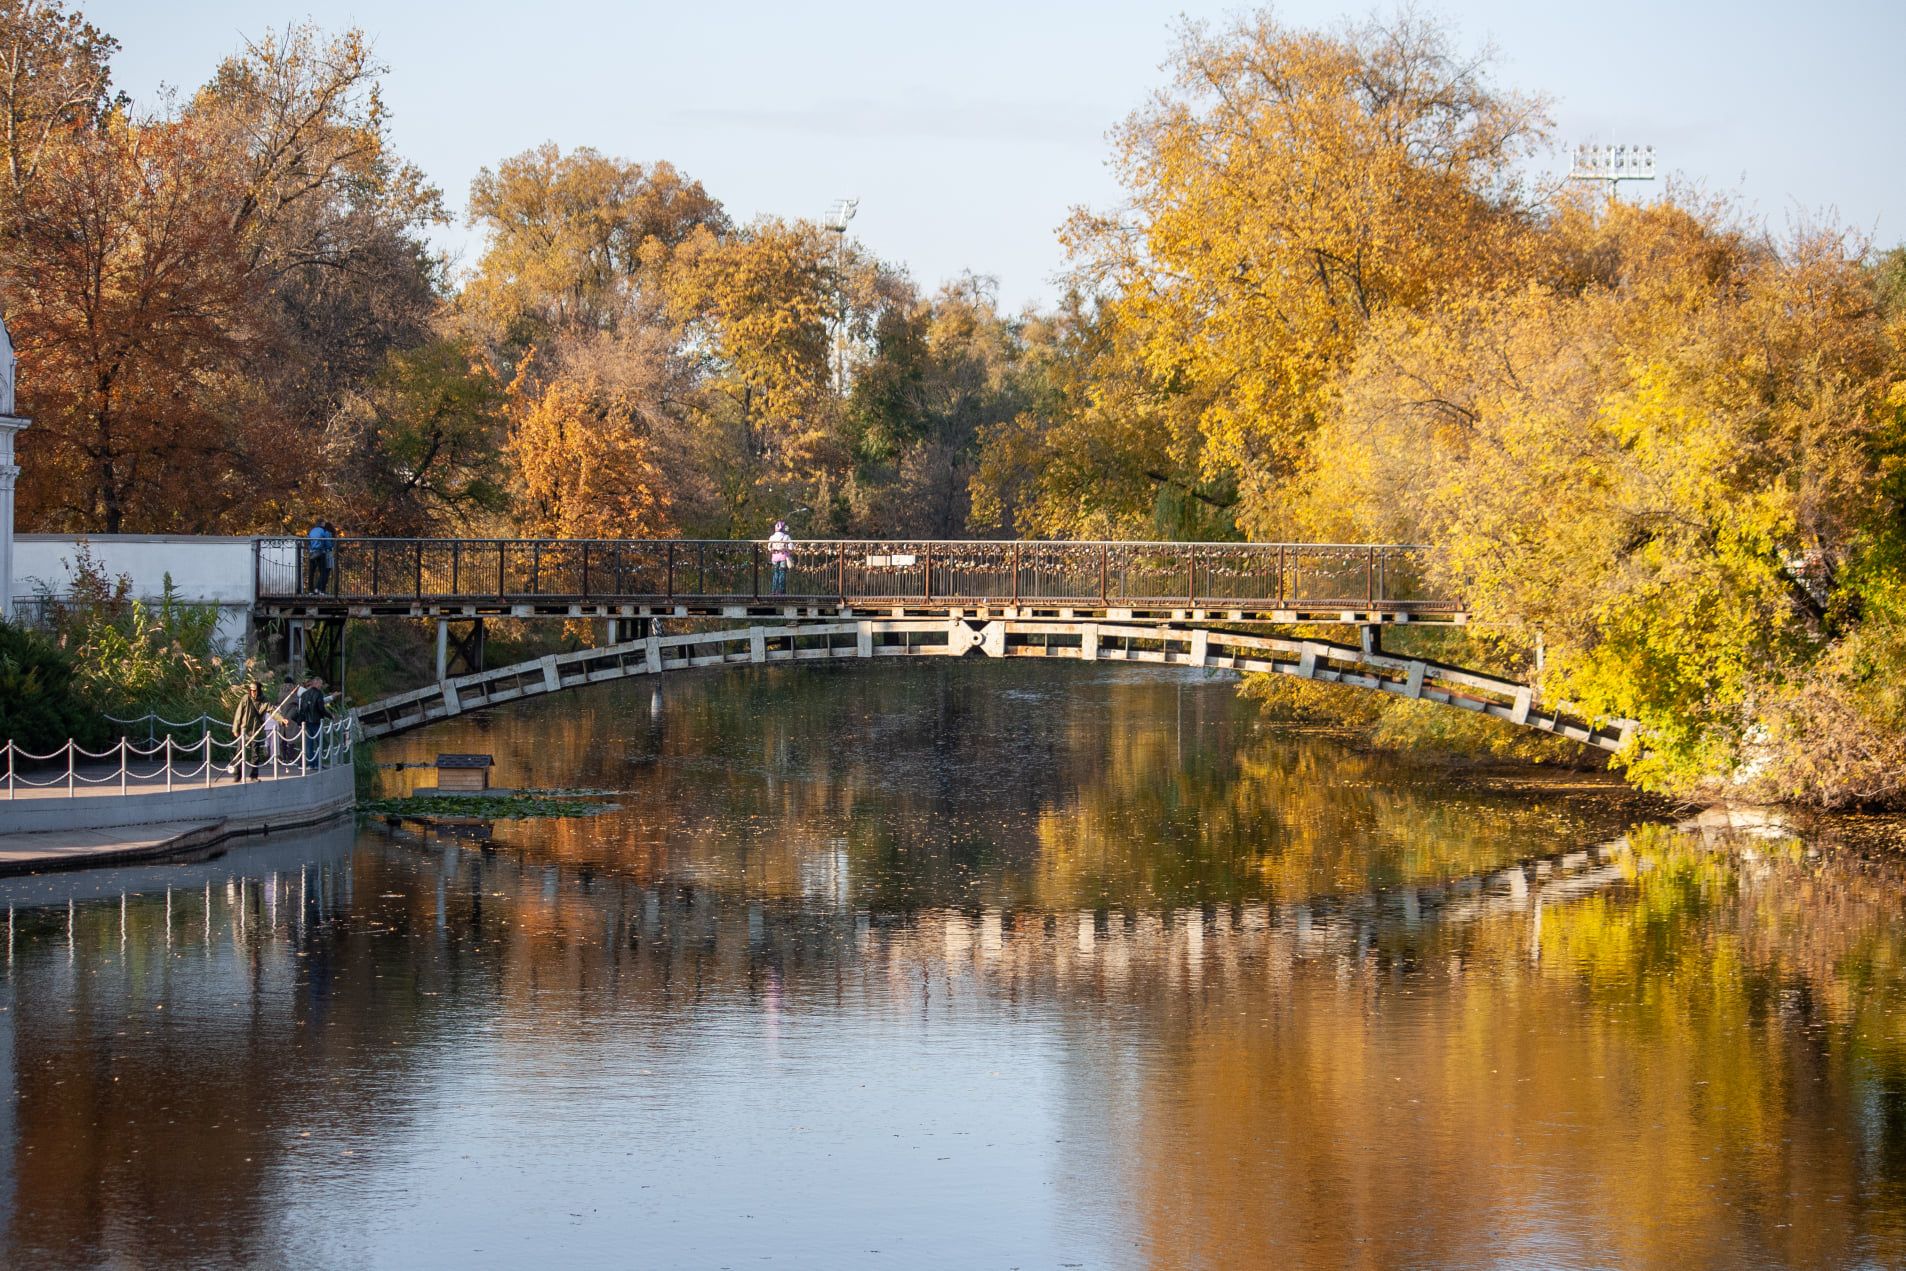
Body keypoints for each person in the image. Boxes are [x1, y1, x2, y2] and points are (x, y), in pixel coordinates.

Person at [231, 681, 266, 781]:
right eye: (251, 690)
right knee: (239, 752)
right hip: (244, 730)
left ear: (258, 690)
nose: (252, 692)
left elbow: (272, 710)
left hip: (256, 730)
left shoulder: (263, 700)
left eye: (254, 690)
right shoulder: (246, 698)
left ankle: (253, 775)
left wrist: (282, 720)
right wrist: (235, 728)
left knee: (255, 754)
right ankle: (237, 775)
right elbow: (239, 713)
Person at [297, 675, 331, 764]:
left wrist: (300, 721)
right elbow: (321, 708)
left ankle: (311, 763)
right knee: (320, 742)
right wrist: (330, 715)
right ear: (316, 683)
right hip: (316, 721)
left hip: (306, 722)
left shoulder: (304, 694)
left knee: (309, 743)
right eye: (321, 684)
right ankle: (318, 762)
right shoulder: (319, 694)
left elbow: (302, 709)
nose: (321, 686)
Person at [306, 519, 334, 594]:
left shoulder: (312, 531)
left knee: (311, 573)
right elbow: (328, 543)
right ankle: (321, 590)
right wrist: (330, 547)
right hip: (321, 553)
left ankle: (310, 591)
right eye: (324, 523)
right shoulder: (325, 531)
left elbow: (308, 541)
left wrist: (310, 549)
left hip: (312, 553)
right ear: (322, 524)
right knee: (323, 572)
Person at [768, 519, 793, 595]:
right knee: (782, 573)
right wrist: (785, 549)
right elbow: (791, 547)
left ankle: (773, 591)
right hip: (783, 556)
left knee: (775, 573)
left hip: (774, 557)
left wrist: (772, 549)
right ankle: (781, 591)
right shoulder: (786, 537)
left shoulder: (772, 537)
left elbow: (769, 547)